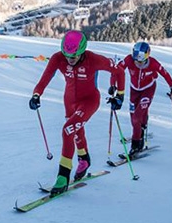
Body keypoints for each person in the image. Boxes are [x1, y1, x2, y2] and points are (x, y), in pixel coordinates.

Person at [30, 30, 124, 196]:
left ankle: (63, 175)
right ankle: (84, 159)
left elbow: (119, 72)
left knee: (67, 130)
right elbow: (45, 78)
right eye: (67, 56)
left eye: (73, 56)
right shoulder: (57, 58)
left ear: (82, 52)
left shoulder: (94, 59)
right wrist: (36, 94)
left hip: (89, 101)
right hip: (69, 101)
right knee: (76, 132)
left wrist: (120, 96)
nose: (69, 59)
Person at [116, 41, 172, 158]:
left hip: (148, 90)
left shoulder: (153, 63)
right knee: (133, 117)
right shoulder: (129, 59)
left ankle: (135, 146)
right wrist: (113, 85)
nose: (138, 64)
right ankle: (142, 129)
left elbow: (165, 73)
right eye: (136, 61)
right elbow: (117, 70)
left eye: (141, 61)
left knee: (136, 118)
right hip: (134, 90)